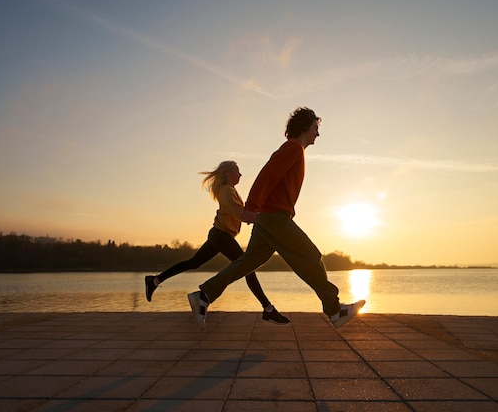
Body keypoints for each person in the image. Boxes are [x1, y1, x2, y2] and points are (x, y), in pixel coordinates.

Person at [188, 107, 365, 331]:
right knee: (310, 255)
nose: (317, 134)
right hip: (274, 217)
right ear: (304, 128)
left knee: (247, 263)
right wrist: (251, 206)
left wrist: (256, 210)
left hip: (267, 218)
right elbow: (267, 174)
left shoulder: (293, 150)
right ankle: (335, 309)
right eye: (315, 128)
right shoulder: (293, 148)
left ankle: (204, 296)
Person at [145, 161, 289, 325]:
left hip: (219, 234)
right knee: (247, 267)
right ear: (228, 172)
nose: (240, 175)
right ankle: (268, 308)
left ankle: (154, 280)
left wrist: (257, 213)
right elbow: (238, 212)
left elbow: (241, 211)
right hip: (221, 236)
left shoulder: (230, 190)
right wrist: (262, 220)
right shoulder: (226, 191)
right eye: (237, 171)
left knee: (194, 263)